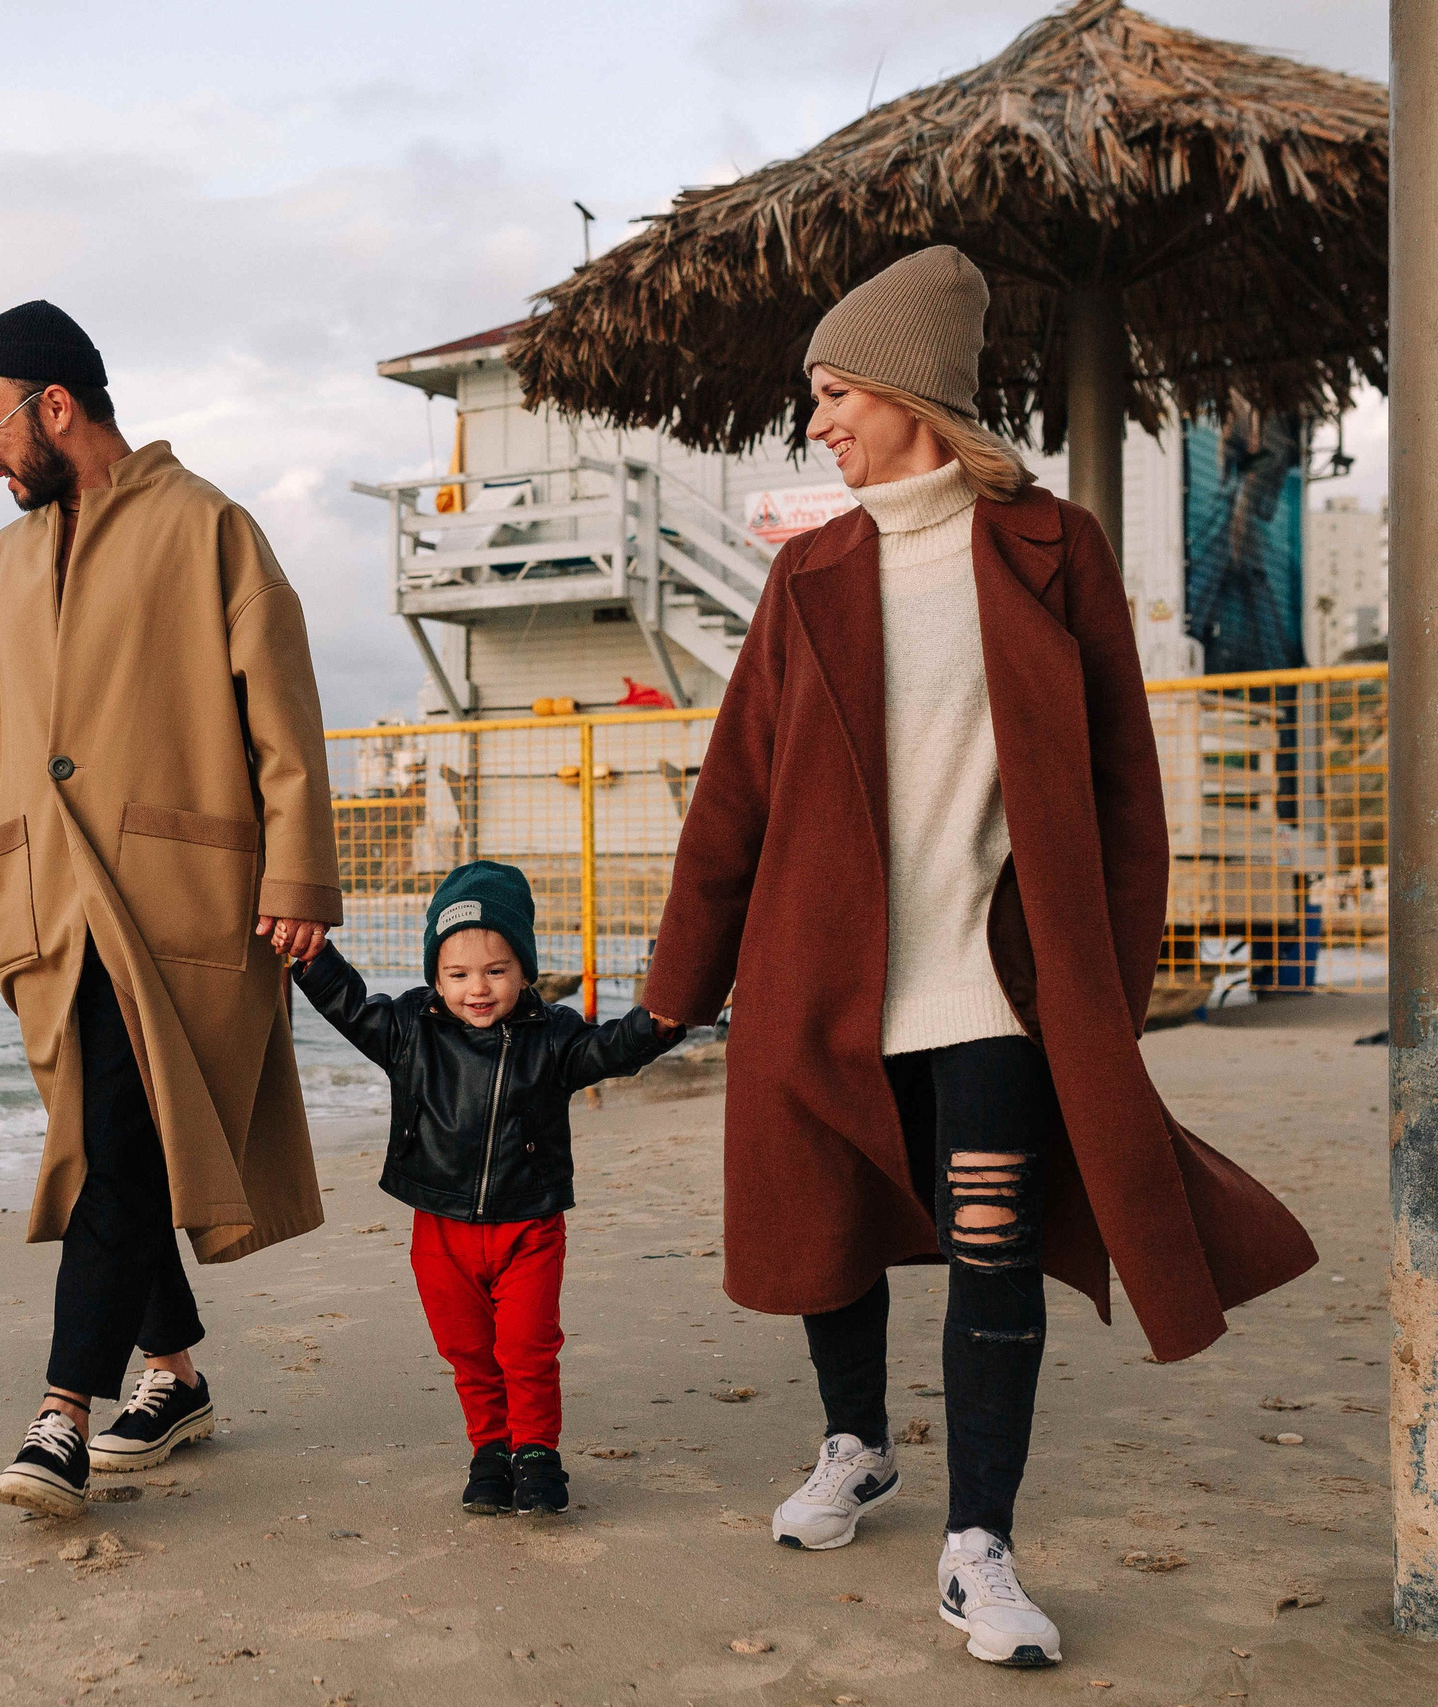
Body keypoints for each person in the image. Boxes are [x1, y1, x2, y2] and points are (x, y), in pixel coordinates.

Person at [640, 246, 1316, 1668]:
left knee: (993, 1250)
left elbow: (1129, 791)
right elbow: (735, 799)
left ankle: (979, 1544)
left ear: (906, 392)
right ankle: (856, 1444)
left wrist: (1101, 992)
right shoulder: (809, 573)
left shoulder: (1053, 547)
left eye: (831, 390)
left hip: (995, 994)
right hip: (821, 983)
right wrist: (670, 991)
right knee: (828, 1235)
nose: (815, 420)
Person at [0, 300, 343, 1519]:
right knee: (126, 1143)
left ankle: (62, 1413)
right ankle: (172, 1376)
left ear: (52, 407)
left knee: (113, 1148)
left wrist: (297, 876)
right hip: (40, 907)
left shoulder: (208, 528)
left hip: (182, 898)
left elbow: (283, 713)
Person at [293, 862, 677, 1516]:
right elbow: (351, 1006)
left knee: (526, 1347)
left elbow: (610, 1049)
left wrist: (661, 1022)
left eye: (497, 970)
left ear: (524, 969)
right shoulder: (410, 1030)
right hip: (440, 1230)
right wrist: (312, 957)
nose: (478, 988)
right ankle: (490, 1450)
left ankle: (535, 1453)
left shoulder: (551, 1036)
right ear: (434, 977)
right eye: (458, 974)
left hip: (528, 1224)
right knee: (469, 1351)